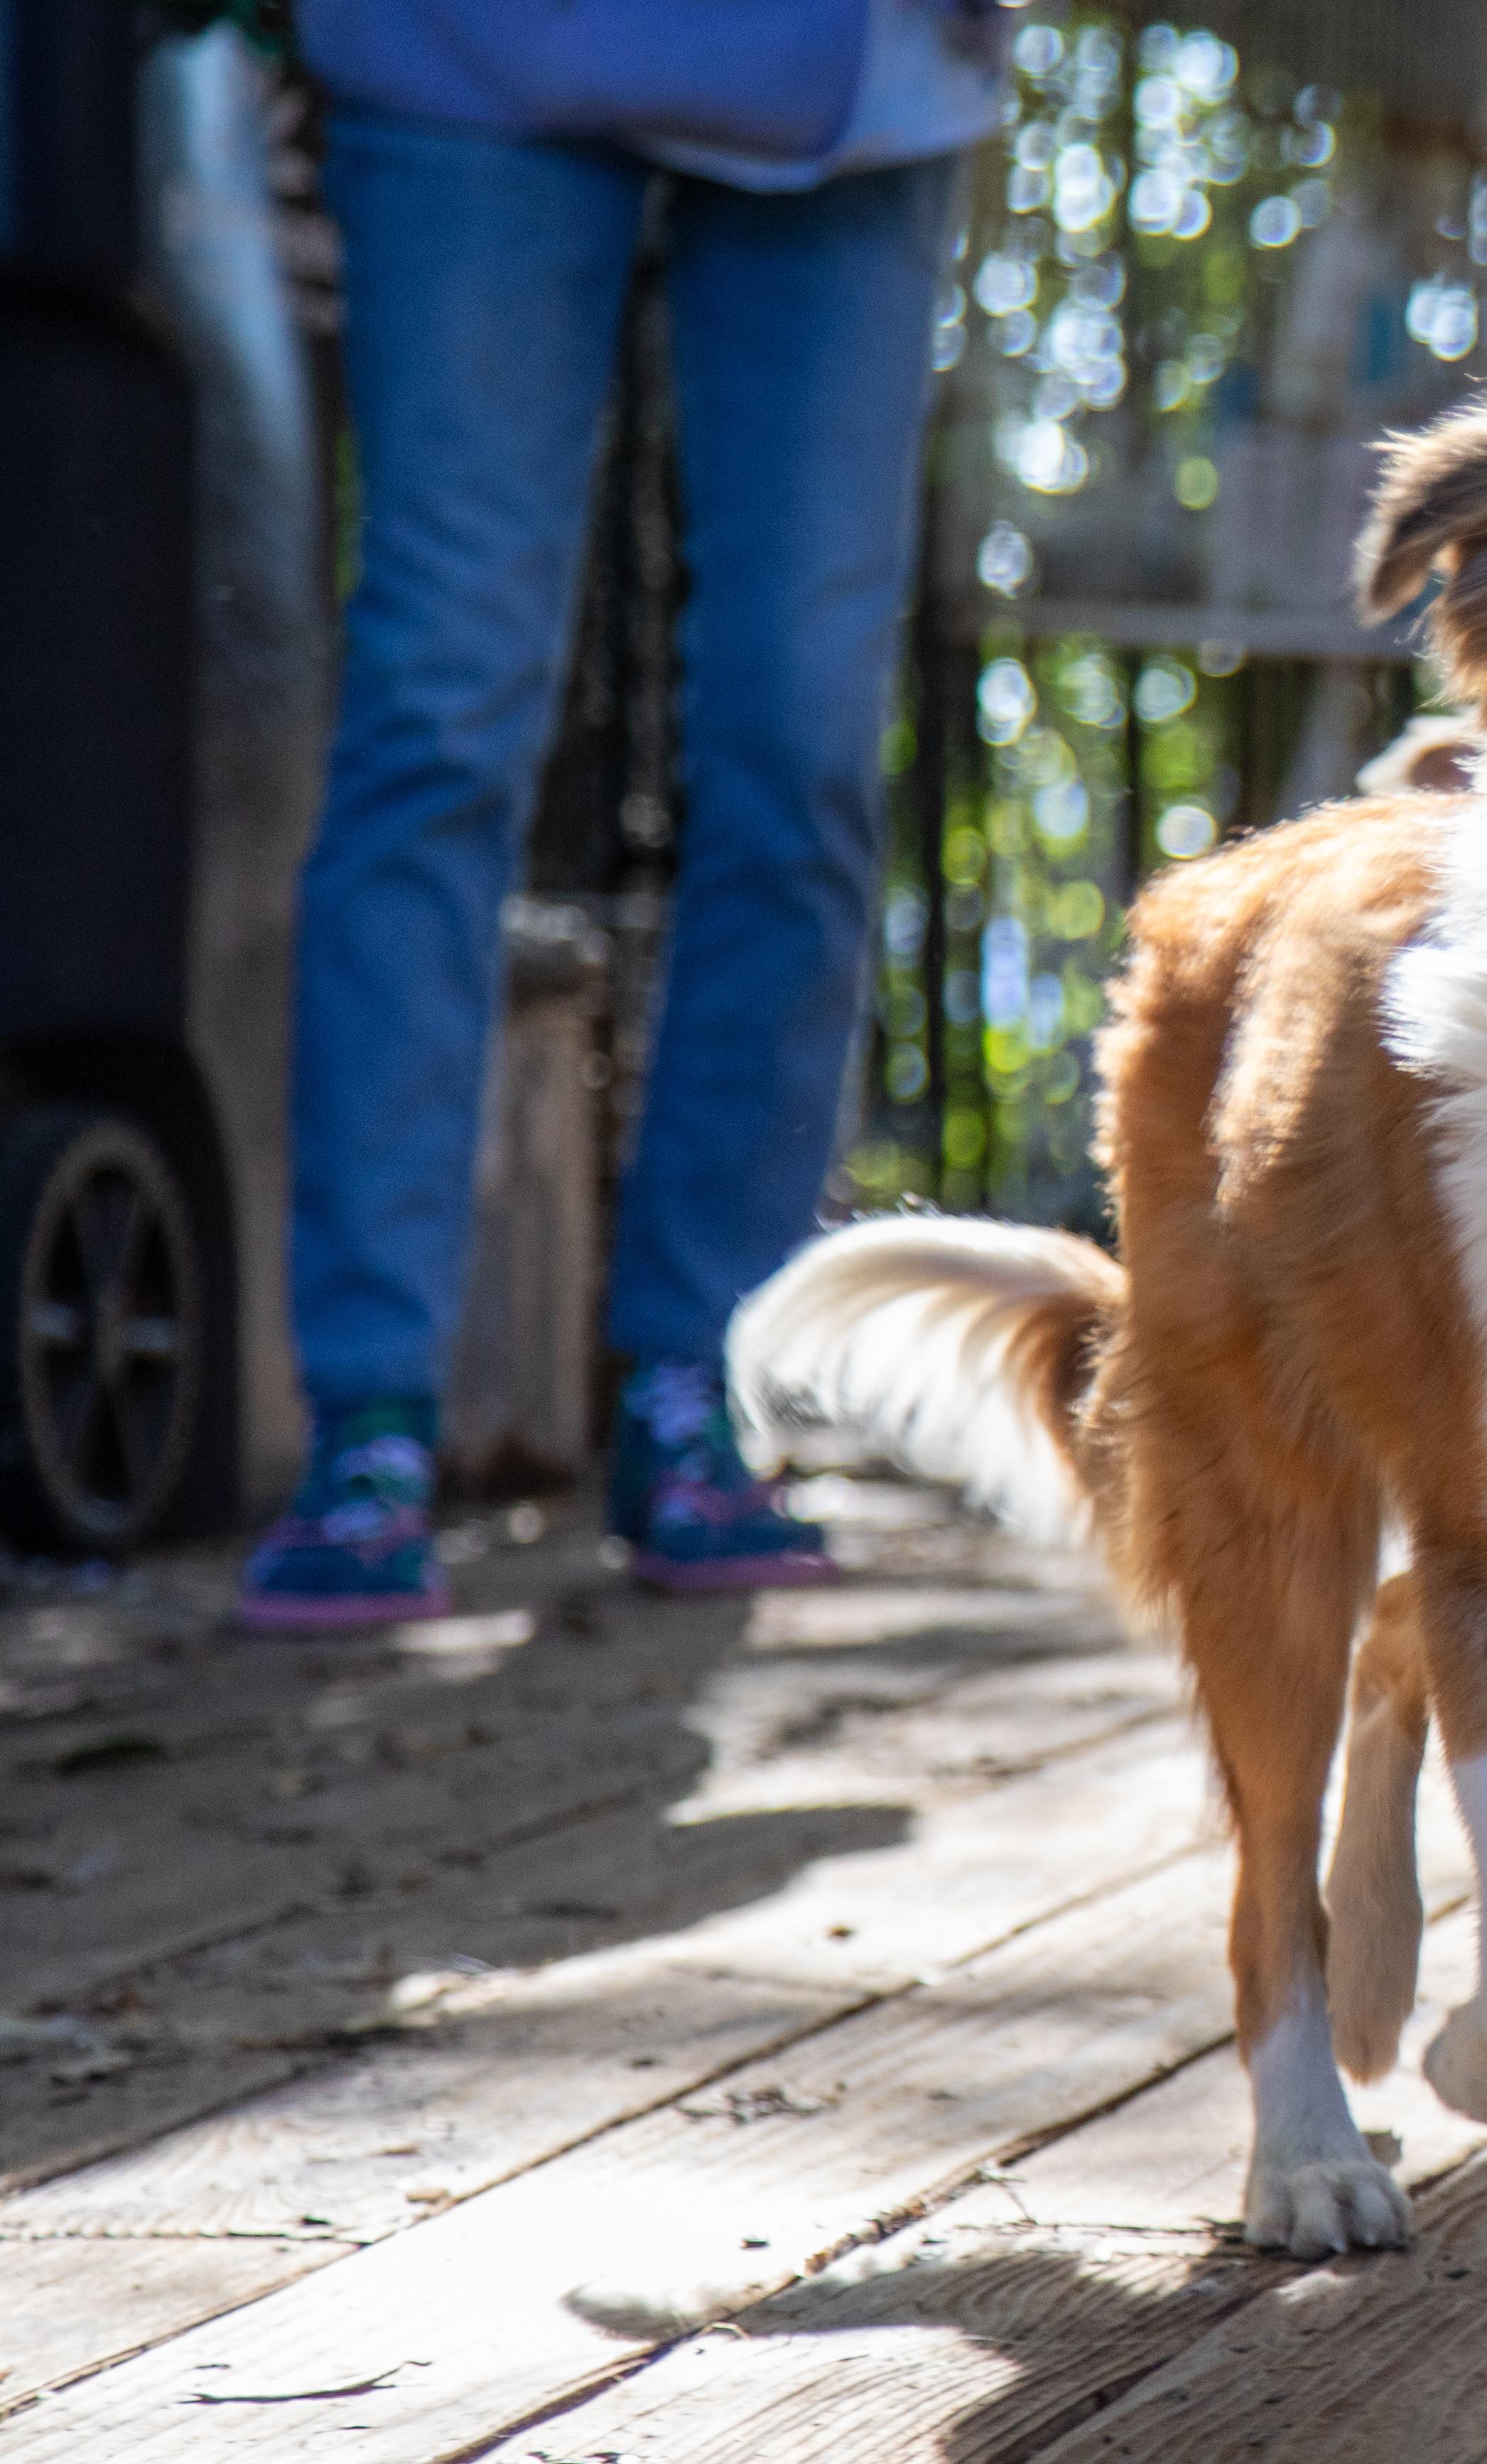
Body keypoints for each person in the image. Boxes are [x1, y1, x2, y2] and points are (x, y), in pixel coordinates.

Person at [237, 0, 1007, 1628]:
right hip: (462, 55)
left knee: (801, 741)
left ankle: (696, 1376)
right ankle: (369, 1414)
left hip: (851, 87)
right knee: (439, 711)